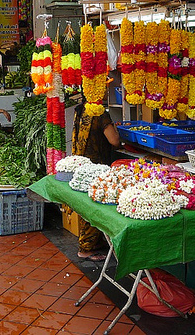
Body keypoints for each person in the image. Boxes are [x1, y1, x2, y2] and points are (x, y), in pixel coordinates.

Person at [71, 87, 121, 261]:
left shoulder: (81, 109)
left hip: (83, 165)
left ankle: (93, 243)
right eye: (103, 88)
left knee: (87, 206)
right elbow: (114, 140)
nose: (107, 91)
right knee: (95, 207)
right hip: (97, 167)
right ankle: (86, 248)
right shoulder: (100, 114)